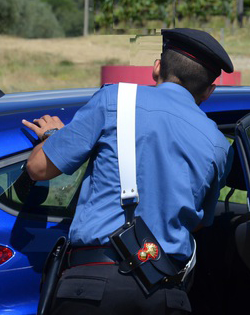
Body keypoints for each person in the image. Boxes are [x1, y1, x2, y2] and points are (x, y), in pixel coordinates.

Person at [22, 28, 234, 315]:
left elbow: (37, 168)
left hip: (94, 285)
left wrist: (52, 137)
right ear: (209, 90)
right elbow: (197, 222)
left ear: (157, 67)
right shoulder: (219, 145)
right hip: (167, 294)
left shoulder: (115, 100)